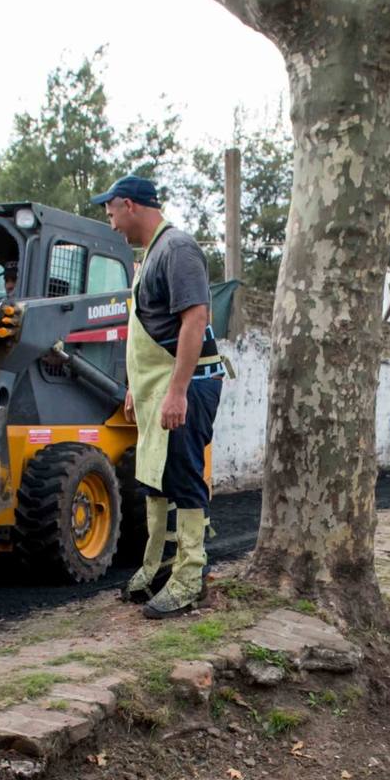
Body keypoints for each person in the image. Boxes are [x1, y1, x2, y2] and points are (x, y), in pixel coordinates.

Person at [95, 175, 224, 619]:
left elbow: (195, 319)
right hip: (159, 386)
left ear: (129, 205)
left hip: (187, 385)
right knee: (155, 476)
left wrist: (177, 392)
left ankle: (190, 576)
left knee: (185, 477)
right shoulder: (150, 256)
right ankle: (159, 567)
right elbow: (152, 327)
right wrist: (138, 384)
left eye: (110, 212)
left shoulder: (177, 249)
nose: (110, 223)